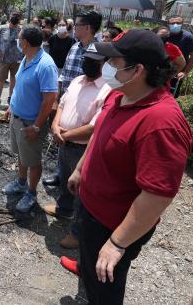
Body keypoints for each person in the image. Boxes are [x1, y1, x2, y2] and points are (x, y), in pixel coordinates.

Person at [68, 29, 192, 304]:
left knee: (105, 288)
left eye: (114, 62)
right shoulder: (119, 95)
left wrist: (117, 243)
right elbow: (99, 132)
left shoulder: (161, 122)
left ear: (137, 71)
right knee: (90, 271)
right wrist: (80, 168)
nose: (107, 67)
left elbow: (158, 195)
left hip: (112, 225)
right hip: (91, 209)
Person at [44, 52, 109, 249]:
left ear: (104, 64)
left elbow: (94, 127)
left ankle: (77, 232)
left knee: (82, 191)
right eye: (86, 60)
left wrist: (65, 134)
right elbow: (62, 105)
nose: (87, 64)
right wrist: (55, 127)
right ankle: (64, 208)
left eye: (94, 62)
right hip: (64, 143)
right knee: (64, 178)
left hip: (83, 149)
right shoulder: (78, 80)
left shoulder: (106, 90)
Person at [2, 26, 58, 213]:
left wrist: (36, 127)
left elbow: (49, 99)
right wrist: (12, 105)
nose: (18, 41)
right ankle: (20, 182)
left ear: (25, 42)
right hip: (17, 118)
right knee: (22, 155)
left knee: (33, 160)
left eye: (19, 38)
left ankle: (31, 193)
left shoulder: (45, 65)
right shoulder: (27, 58)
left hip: (30, 124)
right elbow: (20, 86)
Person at [43, 10, 102, 187]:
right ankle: (61, 175)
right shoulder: (75, 46)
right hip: (66, 102)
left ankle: (73, 188)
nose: (72, 28)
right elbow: (65, 76)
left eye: (77, 25)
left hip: (84, 108)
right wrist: (57, 99)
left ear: (88, 28)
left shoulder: (99, 53)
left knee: (76, 149)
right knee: (62, 144)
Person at [0, 12, 23, 109]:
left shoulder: (20, 29)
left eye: (17, 18)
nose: (15, 19)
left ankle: (10, 98)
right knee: (1, 80)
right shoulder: (2, 28)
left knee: (14, 79)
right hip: (4, 59)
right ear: (10, 17)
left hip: (16, 60)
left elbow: (23, 42)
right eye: (13, 17)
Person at [166, 16, 193, 96]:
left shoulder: (188, 37)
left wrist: (185, 72)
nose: (175, 25)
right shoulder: (165, 35)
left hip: (177, 72)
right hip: (161, 69)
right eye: (173, 23)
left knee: (171, 95)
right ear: (168, 24)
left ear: (182, 24)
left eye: (178, 23)